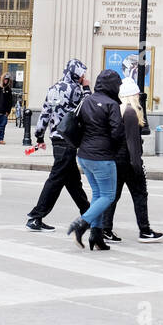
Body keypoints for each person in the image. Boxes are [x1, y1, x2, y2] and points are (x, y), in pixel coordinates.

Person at [26, 59, 91, 231]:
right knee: (56, 179)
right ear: (76, 73)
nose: (84, 76)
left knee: (73, 181)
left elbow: (44, 115)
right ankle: (35, 217)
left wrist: (39, 137)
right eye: (82, 73)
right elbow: (88, 106)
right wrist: (86, 88)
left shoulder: (53, 89)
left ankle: (89, 214)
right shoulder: (76, 90)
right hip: (68, 139)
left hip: (56, 139)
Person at [66, 68, 126, 251]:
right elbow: (117, 132)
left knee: (99, 195)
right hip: (103, 156)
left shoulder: (87, 100)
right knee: (108, 196)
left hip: (84, 155)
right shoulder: (112, 104)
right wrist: (115, 149)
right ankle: (82, 224)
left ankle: (97, 236)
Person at [100, 77, 163, 244]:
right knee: (140, 194)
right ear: (132, 95)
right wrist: (137, 165)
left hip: (117, 159)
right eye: (137, 92)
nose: (139, 95)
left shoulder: (119, 110)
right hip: (128, 160)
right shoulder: (130, 112)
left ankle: (106, 229)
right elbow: (132, 142)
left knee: (114, 196)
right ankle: (144, 230)